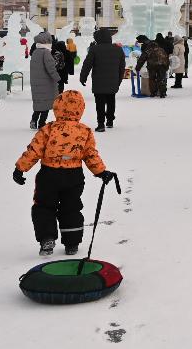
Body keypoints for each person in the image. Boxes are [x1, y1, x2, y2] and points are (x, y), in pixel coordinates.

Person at [12, 90, 115, 256]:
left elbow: (34, 150)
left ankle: (46, 238)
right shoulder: (84, 131)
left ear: (57, 107)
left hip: (49, 175)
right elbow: (90, 154)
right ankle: (72, 243)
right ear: (80, 109)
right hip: (73, 176)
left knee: (44, 206)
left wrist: (20, 168)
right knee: (71, 208)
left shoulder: (48, 129)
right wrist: (101, 172)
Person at [80, 27, 126, 132]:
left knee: (99, 102)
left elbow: (87, 65)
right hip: (113, 80)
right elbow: (121, 67)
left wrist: (83, 77)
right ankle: (110, 120)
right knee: (111, 100)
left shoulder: (94, 49)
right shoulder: (118, 49)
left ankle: (101, 124)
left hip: (98, 81)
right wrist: (118, 80)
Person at [29, 31, 60, 129]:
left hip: (36, 82)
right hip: (46, 83)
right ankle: (41, 123)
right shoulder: (46, 53)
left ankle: (34, 120)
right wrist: (57, 78)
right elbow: (51, 68)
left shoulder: (35, 52)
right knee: (46, 104)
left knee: (39, 103)